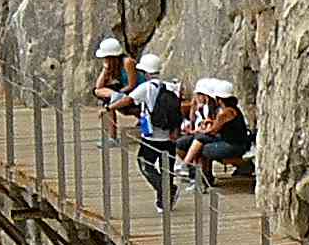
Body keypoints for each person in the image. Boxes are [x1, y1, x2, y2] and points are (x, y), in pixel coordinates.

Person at [177, 78, 255, 187]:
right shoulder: (232, 110)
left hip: (234, 144)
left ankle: (192, 169)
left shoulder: (226, 113)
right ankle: (195, 172)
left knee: (204, 147)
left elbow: (213, 130)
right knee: (200, 141)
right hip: (233, 141)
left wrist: (201, 130)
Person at [130, 72, 186, 208]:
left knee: (144, 163)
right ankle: (164, 203)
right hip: (169, 137)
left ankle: (166, 189)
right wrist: (176, 130)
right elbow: (178, 111)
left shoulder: (146, 87)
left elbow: (129, 100)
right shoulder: (170, 87)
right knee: (167, 169)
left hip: (152, 137)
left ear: (146, 73)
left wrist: (110, 107)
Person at [89, 36, 139, 134]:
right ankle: (112, 136)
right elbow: (98, 87)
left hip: (134, 91)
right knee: (97, 91)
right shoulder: (113, 66)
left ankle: (112, 135)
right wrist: (105, 69)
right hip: (123, 91)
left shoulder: (127, 62)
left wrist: (118, 93)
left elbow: (132, 85)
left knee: (109, 101)